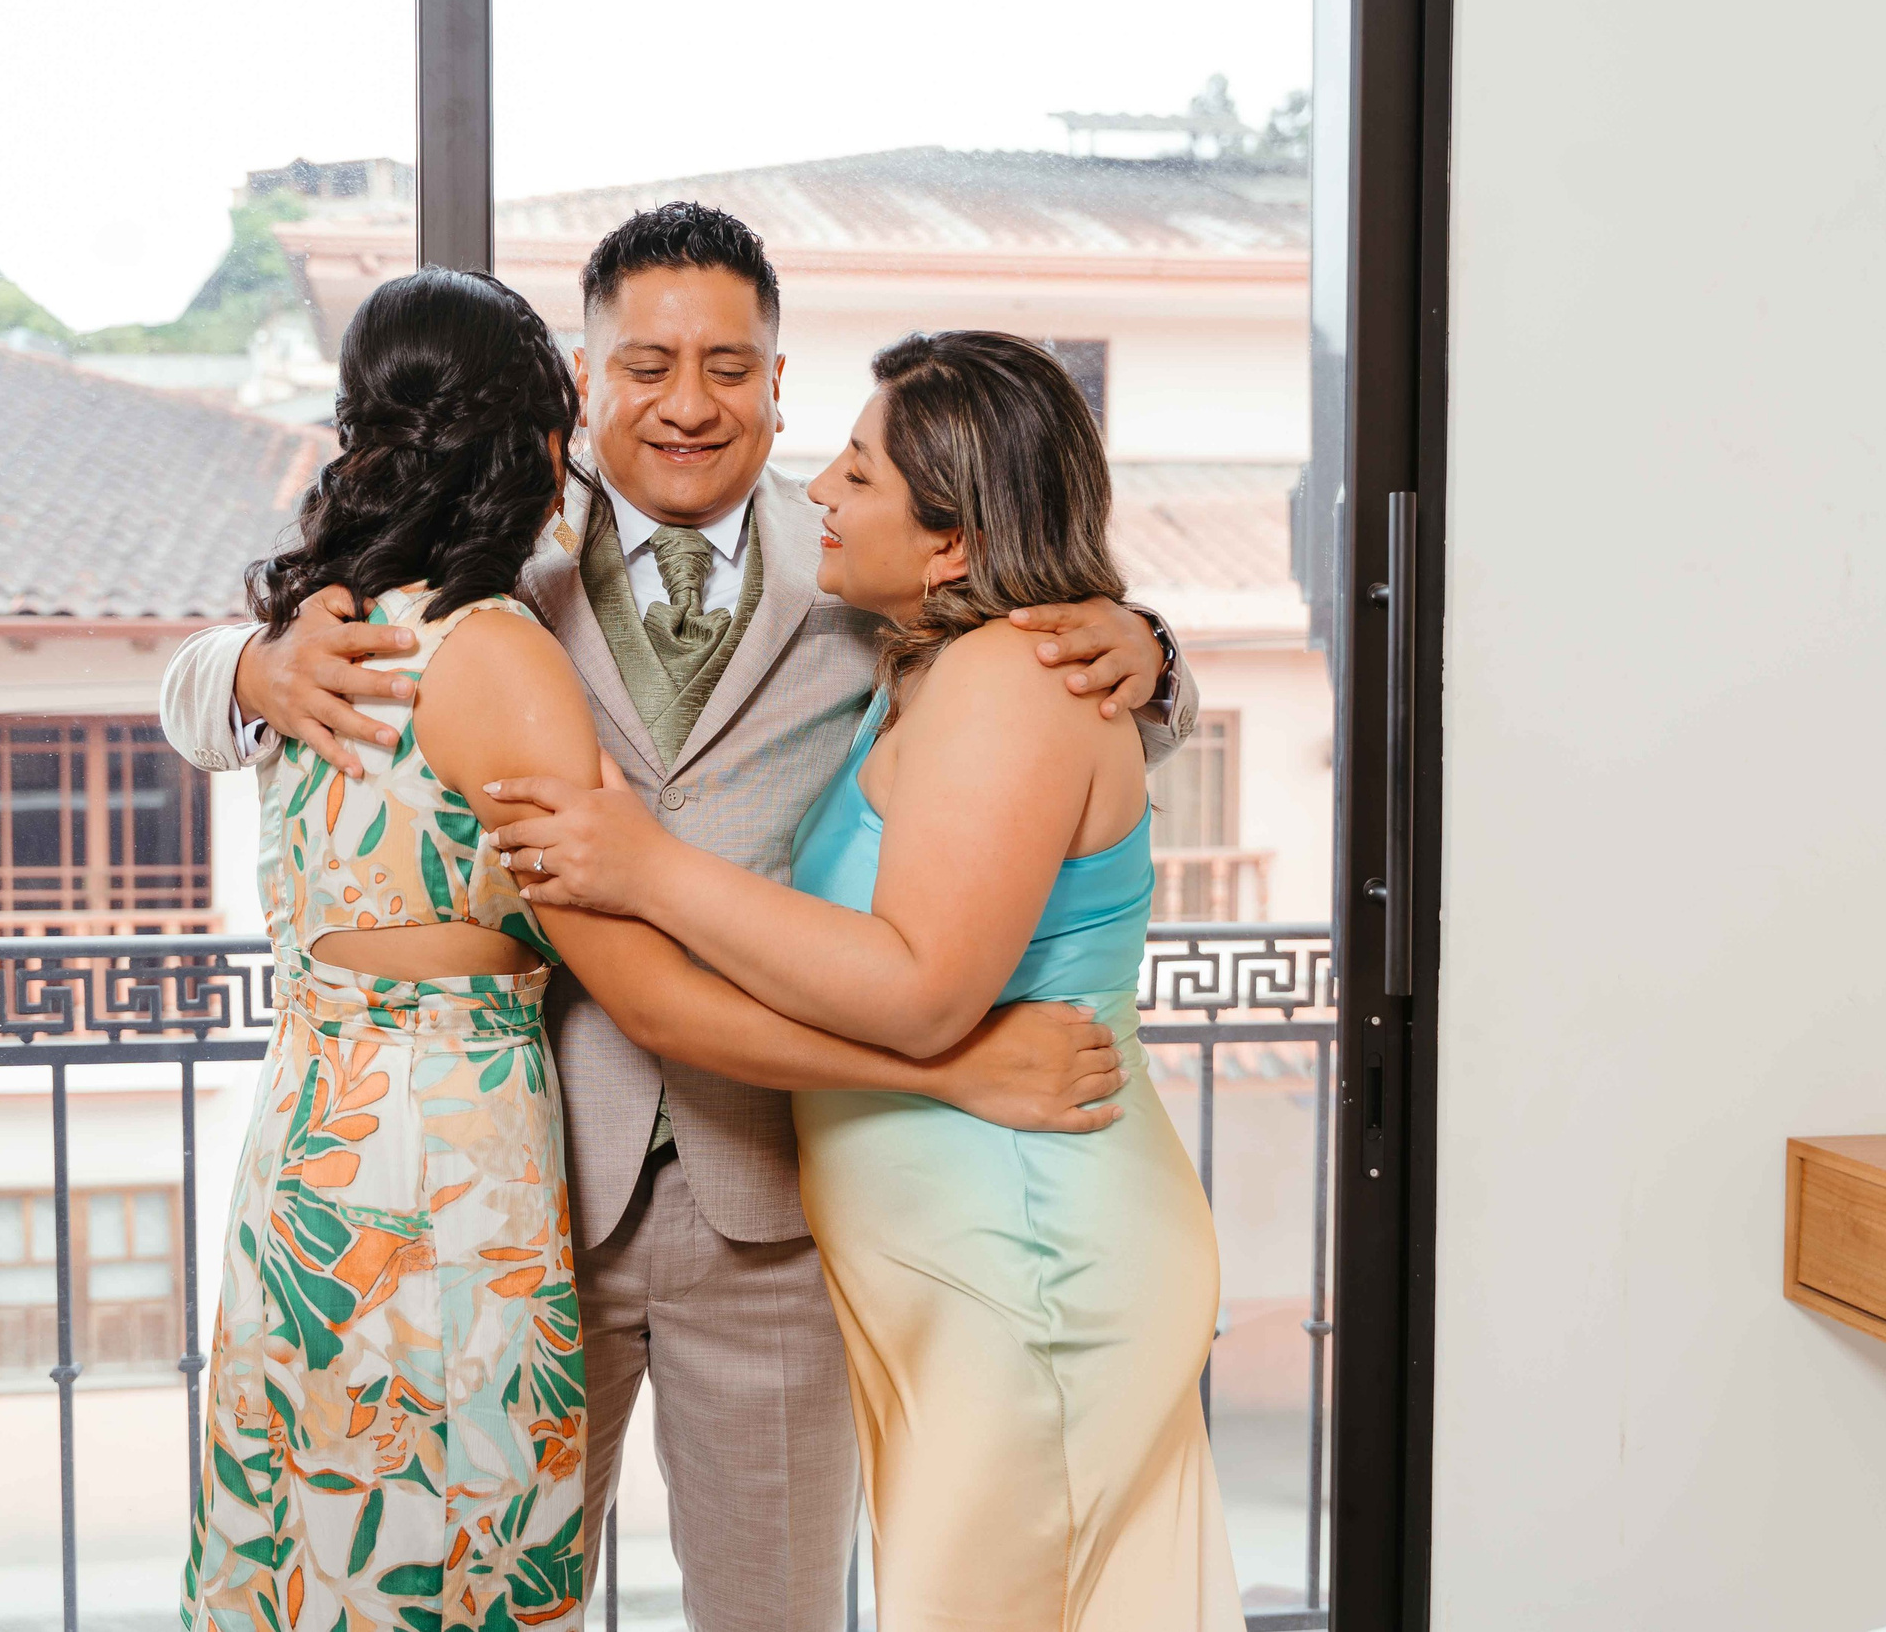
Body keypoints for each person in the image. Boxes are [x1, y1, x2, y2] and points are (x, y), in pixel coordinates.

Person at [164, 205, 1201, 1632]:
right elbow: (220, 688)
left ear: (781, 380)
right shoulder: (494, 557)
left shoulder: (858, 552)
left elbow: (1041, 695)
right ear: (582, 385)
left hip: (772, 1203)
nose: (691, 401)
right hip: (526, 1199)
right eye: (648, 363)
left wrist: (1154, 655)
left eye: (732, 364)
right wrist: (248, 663)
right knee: (470, 1591)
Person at [486, 330, 1245, 1629]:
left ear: (951, 540)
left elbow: (918, 987)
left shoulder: (1014, 672)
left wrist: (648, 871)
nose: (820, 491)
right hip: (962, 1280)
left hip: (1026, 1267)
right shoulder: (930, 666)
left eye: (858, 468)